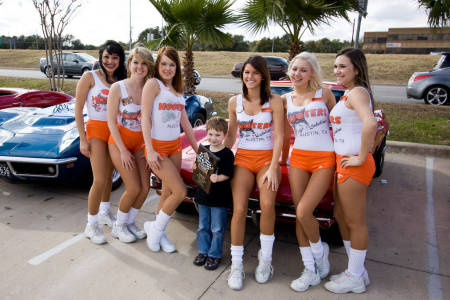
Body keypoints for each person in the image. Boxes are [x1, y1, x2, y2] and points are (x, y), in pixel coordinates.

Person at [224, 56, 284, 290]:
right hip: (244, 160)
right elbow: (230, 137)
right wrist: (209, 155)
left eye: (255, 73)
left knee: (267, 205)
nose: (250, 77)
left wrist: (274, 165)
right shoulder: (234, 102)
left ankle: (265, 260)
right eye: (246, 73)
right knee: (238, 209)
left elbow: (279, 135)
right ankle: (236, 265)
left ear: (263, 76)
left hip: (266, 160)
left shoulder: (275, 102)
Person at [281, 52, 337, 292]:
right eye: (294, 69)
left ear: (312, 73)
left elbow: (340, 123)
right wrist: (281, 162)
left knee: (305, 211)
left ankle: (320, 253)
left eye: (303, 70)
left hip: (325, 157)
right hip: (298, 159)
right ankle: (310, 269)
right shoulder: (285, 99)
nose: (297, 74)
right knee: (299, 213)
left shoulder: (323, 94)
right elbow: (284, 134)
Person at [324, 48, 377, 294]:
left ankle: (355, 276)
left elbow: (370, 122)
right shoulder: (348, 94)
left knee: (355, 222)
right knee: (341, 216)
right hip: (343, 162)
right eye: (335, 66)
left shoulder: (357, 93)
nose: (337, 71)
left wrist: (361, 157)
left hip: (353, 165)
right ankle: (357, 270)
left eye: (343, 66)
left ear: (356, 69)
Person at [141, 46, 199, 253]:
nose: (167, 68)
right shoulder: (153, 85)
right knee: (180, 191)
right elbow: (145, 117)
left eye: (172, 65)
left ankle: (159, 231)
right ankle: (154, 229)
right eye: (164, 64)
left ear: (177, 68)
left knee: (167, 192)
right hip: (157, 147)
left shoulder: (177, 90)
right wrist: (149, 149)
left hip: (175, 146)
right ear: (158, 65)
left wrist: (197, 149)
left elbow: (186, 123)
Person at [75, 41, 126, 244]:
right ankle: (91, 225)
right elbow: (78, 109)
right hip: (96, 130)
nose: (110, 61)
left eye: (114, 57)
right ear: (100, 57)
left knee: (109, 177)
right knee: (99, 179)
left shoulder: (121, 81)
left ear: (120, 59)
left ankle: (105, 211)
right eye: (106, 57)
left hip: (116, 132)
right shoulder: (90, 77)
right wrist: (82, 139)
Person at [106, 46, 154, 243]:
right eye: (136, 62)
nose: (139, 67)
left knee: (145, 188)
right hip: (120, 143)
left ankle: (130, 222)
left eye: (144, 63)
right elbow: (110, 121)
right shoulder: (118, 88)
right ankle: (118, 226)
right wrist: (124, 151)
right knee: (133, 188)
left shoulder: (151, 88)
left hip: (141, 144)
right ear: (129, 64)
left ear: (149, 66)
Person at [192, 117, 234, 271]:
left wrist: (220, 177)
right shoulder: (204, 149)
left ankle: (214, 254)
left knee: (217, 228)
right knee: (203, 226)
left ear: (224, 135)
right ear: (206, 133)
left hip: (219, 198)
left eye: (217, 135)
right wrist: (195, 165)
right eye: (210, 134)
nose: (213, 138)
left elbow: (229, 173)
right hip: (203, 196)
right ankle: (203, 251)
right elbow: (199, 169)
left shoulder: (227, 154)